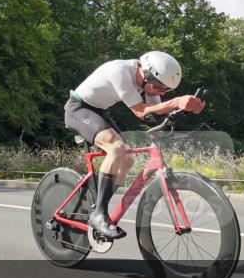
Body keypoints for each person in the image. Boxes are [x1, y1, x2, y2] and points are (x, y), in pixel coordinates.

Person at [65, 52, 204, 239]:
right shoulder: (120, 71)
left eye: (166, 91)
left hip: (99, 111)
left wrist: (184, 110)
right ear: (146, 74)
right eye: (159, 87)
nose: (161, 93)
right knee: (116, 147)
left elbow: (155, 114)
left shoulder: (149, 84)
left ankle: (99, 203)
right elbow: (140, 111)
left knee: (128, 159)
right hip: (78, 108)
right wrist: (176, 101)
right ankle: (99, 213)